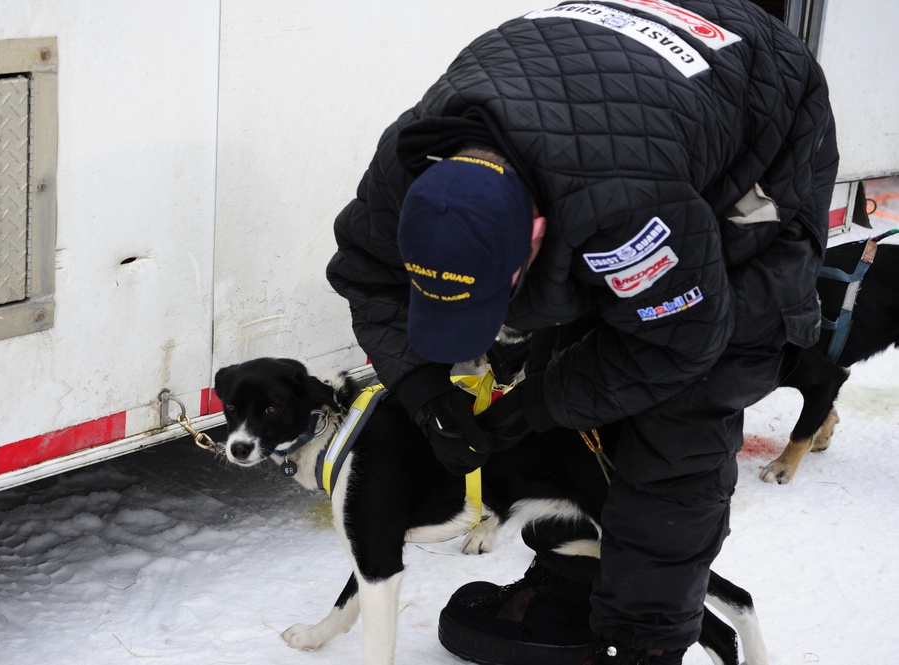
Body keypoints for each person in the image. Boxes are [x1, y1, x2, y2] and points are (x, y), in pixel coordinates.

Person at [326, 0, 839, 663]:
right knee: (574, 355)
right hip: (612, 108)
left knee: (683, 409)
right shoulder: (409, 166)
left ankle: (646, 640)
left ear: (536, 236)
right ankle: (574, 572)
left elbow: (680, 339)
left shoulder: (624, 209)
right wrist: (424, 388)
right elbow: (366, 274)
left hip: (762, 116)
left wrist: (536, 404)